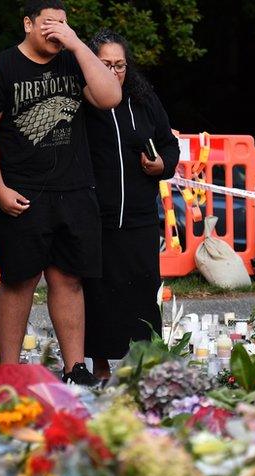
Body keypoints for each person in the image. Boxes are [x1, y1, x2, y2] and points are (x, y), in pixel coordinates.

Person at [0, 0, 121, 385]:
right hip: (21, 191)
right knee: (19, 280)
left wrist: (78, 45)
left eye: (64, 24)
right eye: (49, 23)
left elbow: (110, 97)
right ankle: (8, 372)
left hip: (74, 190)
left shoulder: (75, 60)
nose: (57, 30)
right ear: (27, 24)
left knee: (69, 279)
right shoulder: (0, 68)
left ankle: (74, 367)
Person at [83, 30, 179, 382]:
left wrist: (162, 166)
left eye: (119, 65)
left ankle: (145, 364)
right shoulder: (83, 100)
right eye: (105, 64)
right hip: (97, 216)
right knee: (98, 292)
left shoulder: (143, 98)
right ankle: (100, 366)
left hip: (139, 217)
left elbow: (170, 145)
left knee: (142, 290)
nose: (113, 71)